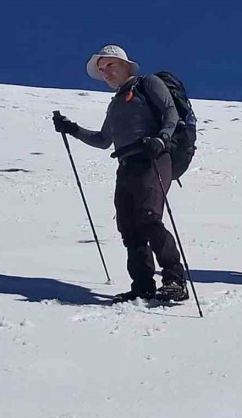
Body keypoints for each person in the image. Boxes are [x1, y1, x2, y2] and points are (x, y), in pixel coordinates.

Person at [53, 45, 188, 302]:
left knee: (149, 218)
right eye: (102, 69)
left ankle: (175, 280)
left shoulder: (148, 83)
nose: (105, 72)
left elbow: (170, 111)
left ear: (126, 65)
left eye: (110, 66)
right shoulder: (116, 103)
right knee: (129, 227)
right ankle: (143, 285)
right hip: (126, 165)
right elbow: (104, 140)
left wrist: (161, 139)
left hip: (154, 159)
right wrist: (72, 129)